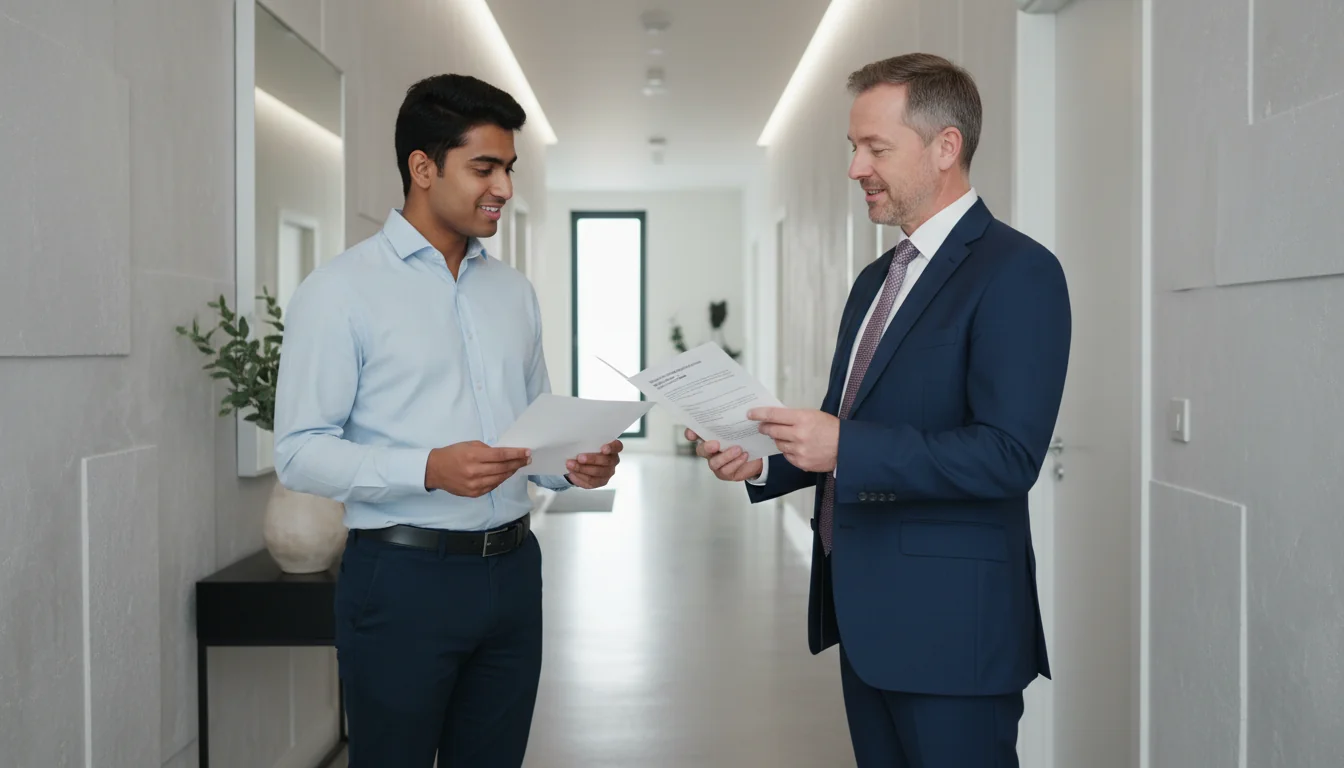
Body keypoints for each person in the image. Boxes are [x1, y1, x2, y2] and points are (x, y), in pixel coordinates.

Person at [689, 53, 1070, 766]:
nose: (855, 167)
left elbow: (1008, 456)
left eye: (876, 148)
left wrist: (844, 446)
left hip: (956, 637)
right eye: (852, 147)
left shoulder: (1018, 272)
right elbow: (845, 419)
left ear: (945, 147)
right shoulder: (875, 280)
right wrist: (761, 457)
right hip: (868, 625)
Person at [272, 74, 622, 768]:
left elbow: (534, 438)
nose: (504, 189)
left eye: (509, 169)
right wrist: (426, 468)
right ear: (423, 168)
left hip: (515, 574)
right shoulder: (340, 292)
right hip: (402, 582)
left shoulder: (513, 292)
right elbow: (300, 454)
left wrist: (574, 463)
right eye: (484, 168)